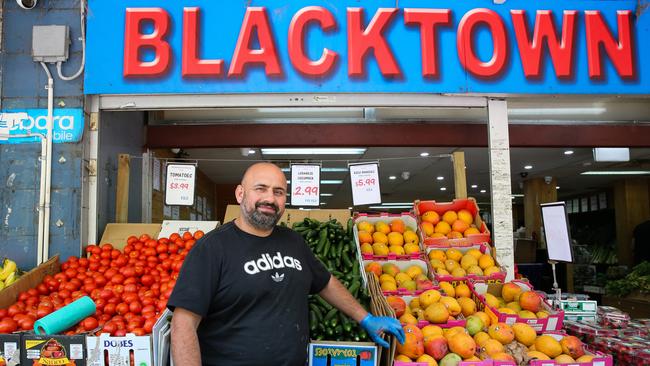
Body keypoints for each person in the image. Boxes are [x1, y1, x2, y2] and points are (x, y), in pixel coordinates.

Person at [168, 162, 404, 366]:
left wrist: (365, 318)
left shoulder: (293, 241)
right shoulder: (212, 248)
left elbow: (325, 282)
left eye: (278, 192)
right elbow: (183, 324)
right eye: (260, 189)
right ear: (240, 194)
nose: (270, 198)